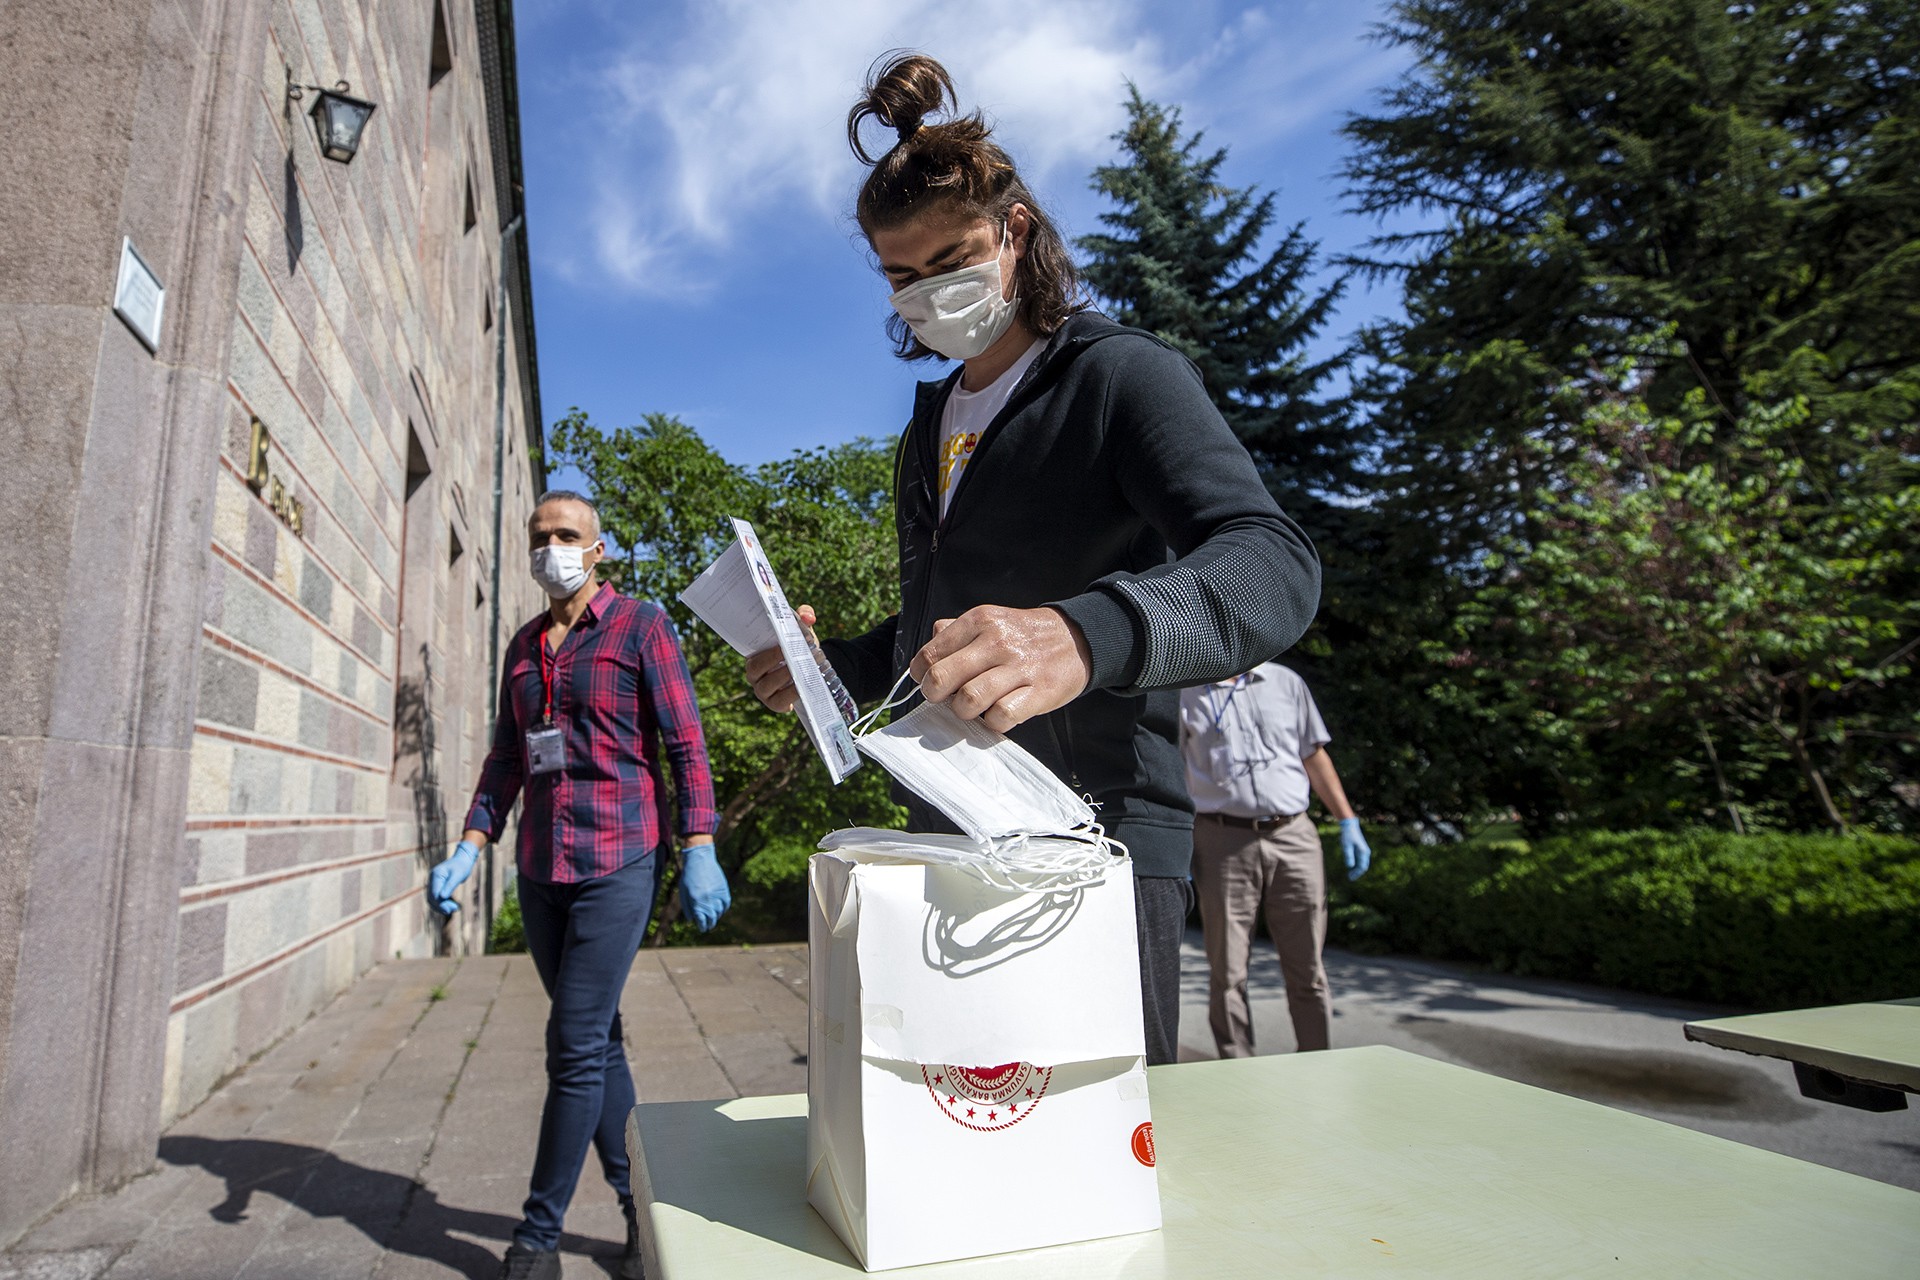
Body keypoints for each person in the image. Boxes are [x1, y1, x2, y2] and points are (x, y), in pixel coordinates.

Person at [744, 53, 1320, 1067]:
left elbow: (1274, 563)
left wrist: (1081, 635)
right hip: (948, 831)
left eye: (953, 259)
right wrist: (828, 673)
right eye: (902, 277)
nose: (929, 294)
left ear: (1015, 232)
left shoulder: (1121, 377)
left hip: (1095, 842)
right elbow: (944, 639)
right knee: (963, 1135)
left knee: (1089, 1155)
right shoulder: (927, 433)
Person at [429, 490, 731, 1280]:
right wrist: (470, 843)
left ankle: (538, 1239)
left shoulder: (641, 626)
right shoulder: (525, 646)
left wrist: (698, 841)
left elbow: (686, 744)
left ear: (598, 548)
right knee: (597, 1042)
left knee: (570, 1045)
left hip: (619, 859)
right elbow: (507, 756)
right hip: (539, 866)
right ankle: (643, 1212)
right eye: (540, 536)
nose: (551, 547)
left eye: (567, 535)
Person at [1177, 663, 1371, 1056]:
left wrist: (1347, 820)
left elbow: (1313, 755)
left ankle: (1316, 1060)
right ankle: (1237, 1066)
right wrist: (1181, 840)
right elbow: (1176, 770)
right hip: (1221, 838)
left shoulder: (1286, 682)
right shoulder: (1187, 691)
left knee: (1308, 968)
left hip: (1292, 834)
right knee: (1228, 970)